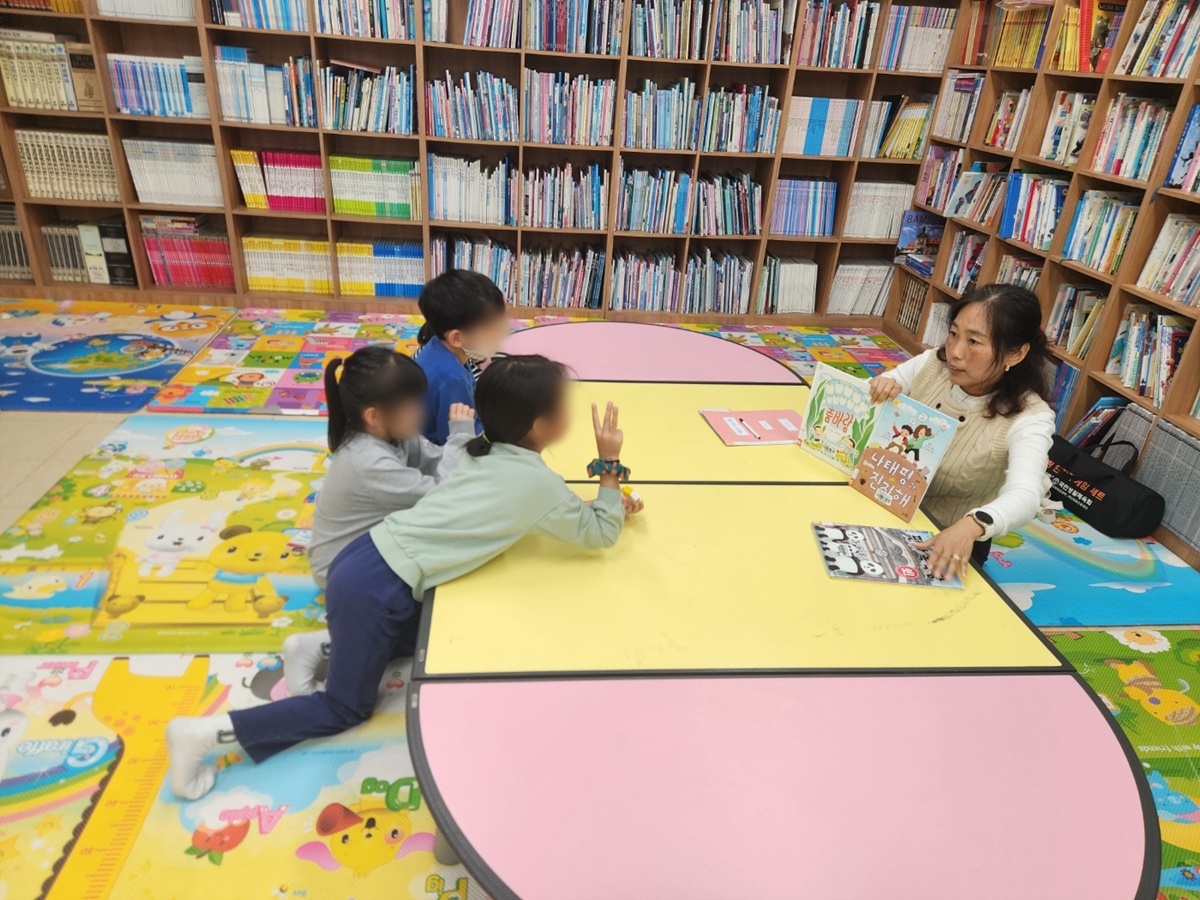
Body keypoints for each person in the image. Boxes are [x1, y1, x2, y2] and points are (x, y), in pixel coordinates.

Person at [165, 355, 645, 800]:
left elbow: (527, 507)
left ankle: (315, 647)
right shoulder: (536, 482)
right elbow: (600, 534)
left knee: (431, 638)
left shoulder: (481, 449)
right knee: (345, 708)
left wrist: (588, 506)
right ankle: (204, 734)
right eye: (564, 408)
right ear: (541, 426)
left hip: (364, 559)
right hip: (377, 587)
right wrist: (608, 469)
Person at [286, 346, 475, 697]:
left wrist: (471, 452)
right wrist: (461, 435)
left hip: (369, 548)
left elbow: (437, 460)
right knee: (439, 618)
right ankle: (323, 644)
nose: (422, 412)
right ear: (374, 416)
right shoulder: (368, 461)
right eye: (412, 405)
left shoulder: (393, 435)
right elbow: (440, 493)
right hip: (341, 569)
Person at [868, 284, 1054, 580]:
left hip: (951, 534)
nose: (954, 352)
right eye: (953, 333)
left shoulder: (1031, 418)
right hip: (884, 498)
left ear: (1016, 354)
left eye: (974, 342)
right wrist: (882, 386)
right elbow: (882, 387)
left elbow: (1026, 494)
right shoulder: (932, 364)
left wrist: (973, 525)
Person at [414, 269, 509, 445]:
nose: (502, 332)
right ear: (457, 338)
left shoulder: (438, 344)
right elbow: (457, 440)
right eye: (492, 328)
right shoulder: (453, 380)